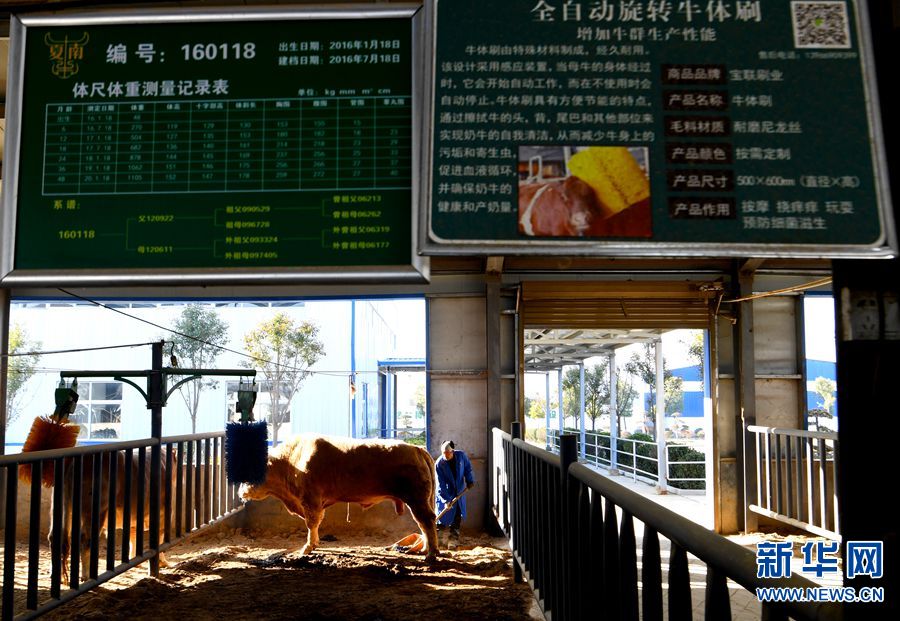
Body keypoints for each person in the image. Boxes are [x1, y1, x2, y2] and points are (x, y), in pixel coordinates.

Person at [434, 440, 475, 549]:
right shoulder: (439, 464)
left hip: (459, 491)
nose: (446, 456)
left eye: (448, 453)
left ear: (452, 451)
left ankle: (453, 540)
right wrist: (445, 500)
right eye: (444, 454)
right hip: (446, 492)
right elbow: (440, 484)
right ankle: (438, 540)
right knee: (442, 517)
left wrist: (470, 481)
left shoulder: (461, 456)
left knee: (457, 516)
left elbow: (467, 469)